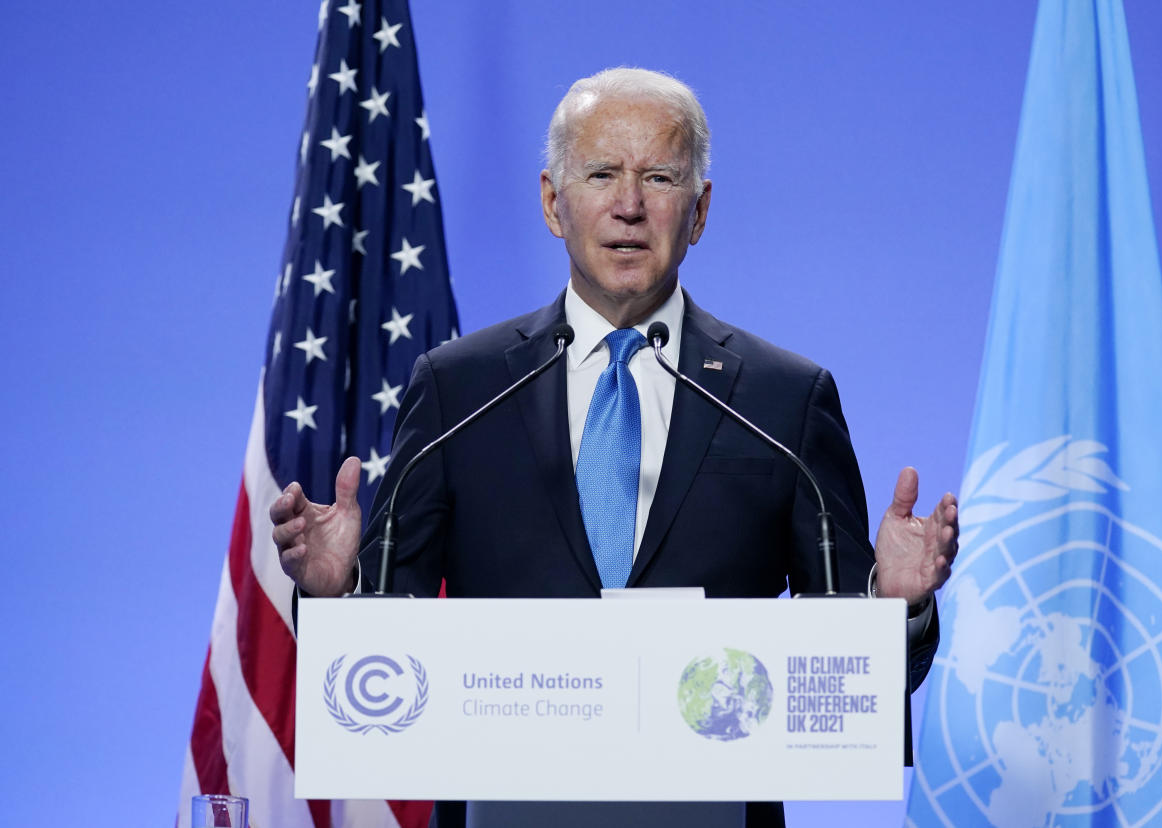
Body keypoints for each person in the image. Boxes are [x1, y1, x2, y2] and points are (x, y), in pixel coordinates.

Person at [272, 67, 958, 828]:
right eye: (601, 174)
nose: (629, 206)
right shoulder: (459, 390)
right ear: (551, 202)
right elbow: (384, 657)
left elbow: (851, 675)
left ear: (697, 212)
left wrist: (895, 611)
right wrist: (336, 599)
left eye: (658, 177)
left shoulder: (785, 400)